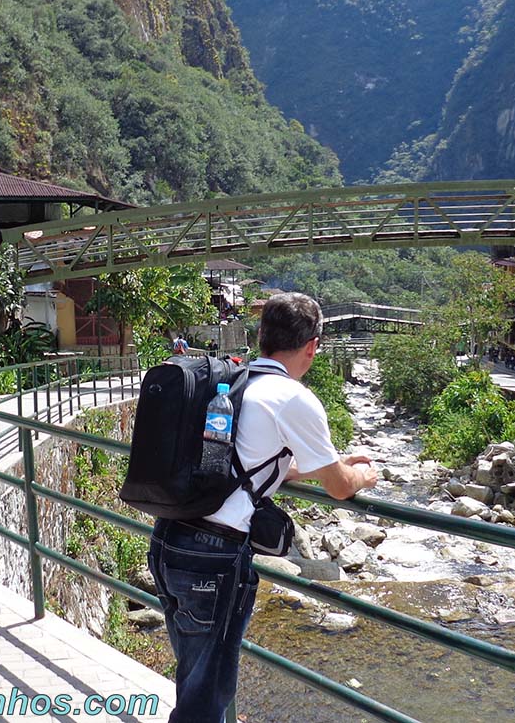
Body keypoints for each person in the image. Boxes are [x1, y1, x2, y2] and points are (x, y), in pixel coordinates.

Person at [148, 293, 378, 723]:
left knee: (195, 678)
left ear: (261, 337)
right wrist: (360, 475)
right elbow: (342, 488)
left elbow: (254, 462)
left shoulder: (236, 381)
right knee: (205, 697)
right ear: (312, 346)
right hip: (213, 559)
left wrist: (322, 465)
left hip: (169, 539)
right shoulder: (293, 398)